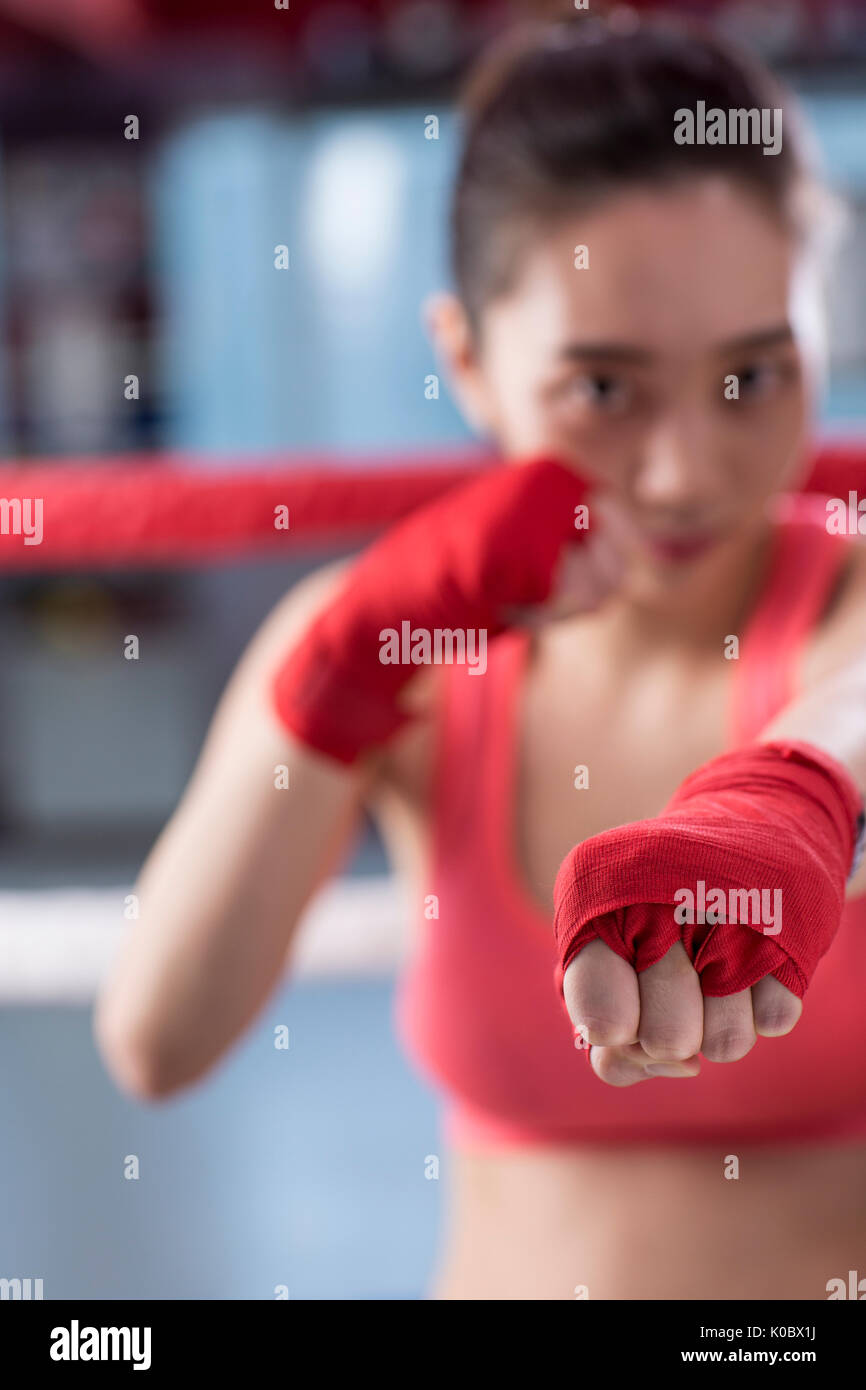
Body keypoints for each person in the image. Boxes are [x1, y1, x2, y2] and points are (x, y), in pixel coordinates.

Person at [94, 11, 866, 1300]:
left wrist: (792, 792)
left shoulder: (848, 589)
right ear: (466, 358)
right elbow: (156, 1043)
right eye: (605, 391)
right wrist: (337, 676)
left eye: (750, 379)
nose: (684, 473)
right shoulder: (394, 652)